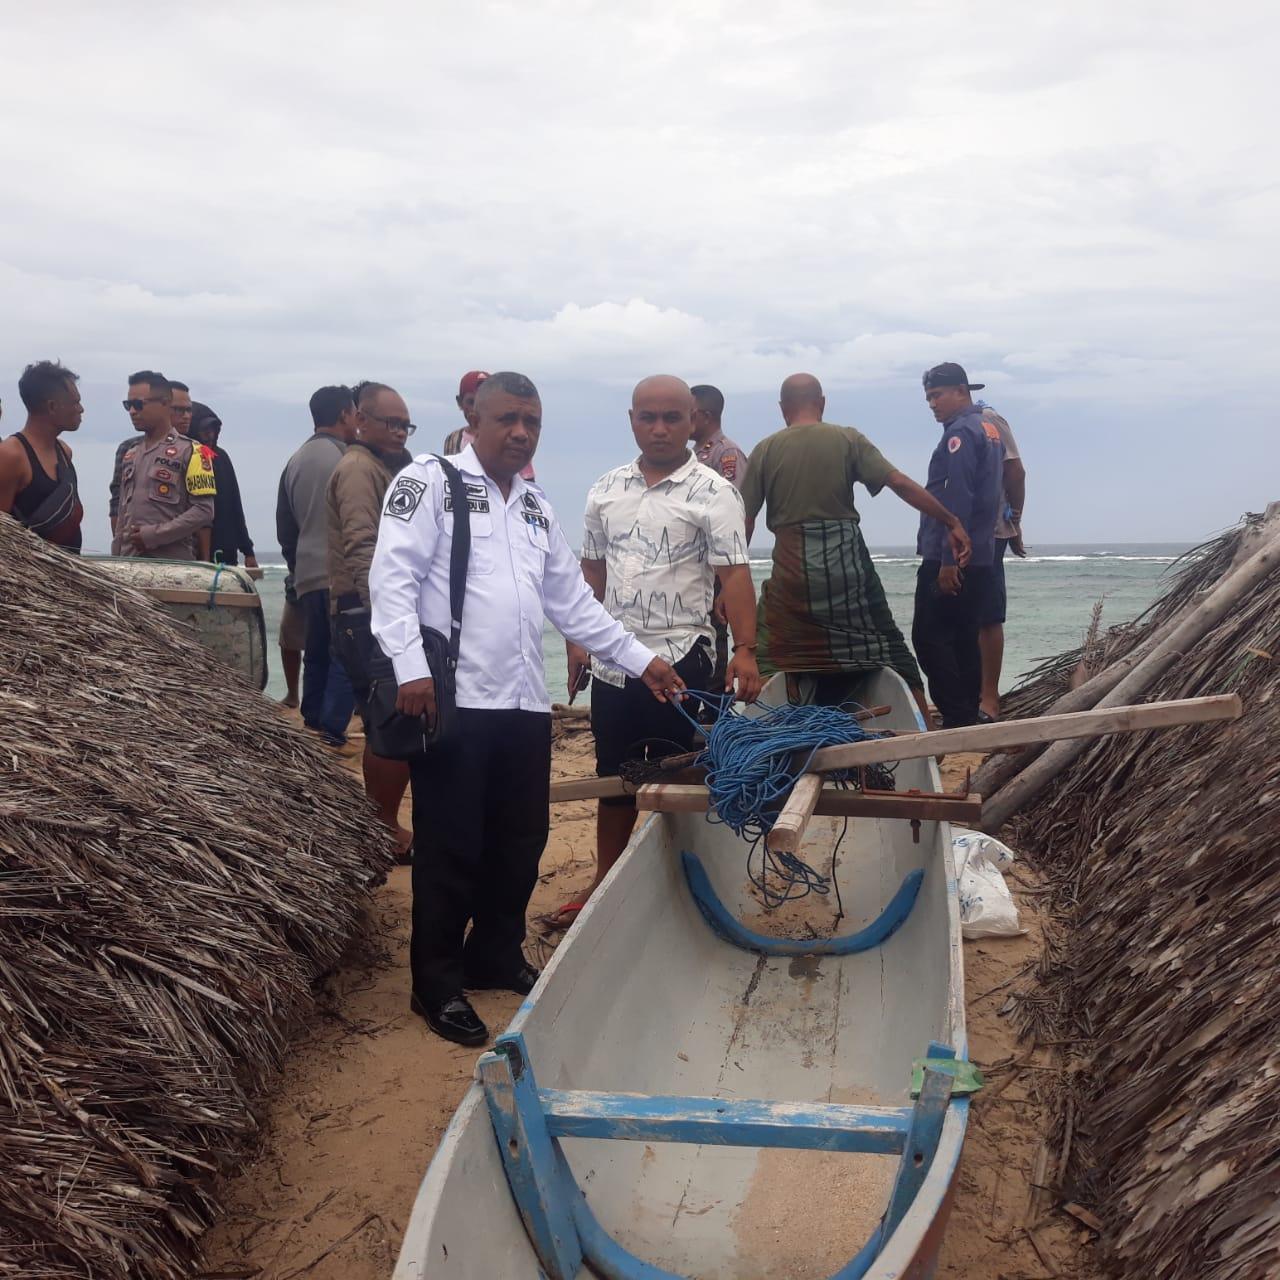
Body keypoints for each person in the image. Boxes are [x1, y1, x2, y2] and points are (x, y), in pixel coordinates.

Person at [370, 370, 685, 1046]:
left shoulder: (537, 505)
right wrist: (411, 670)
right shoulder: (429, 484)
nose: (520, 433)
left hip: (521, 701)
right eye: (508, 419)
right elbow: (391, 579)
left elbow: (572, 604)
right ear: (473, 419)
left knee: (520, 840)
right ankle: (436, 982)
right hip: (452, 699)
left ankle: (495, 952)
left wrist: (642, 660)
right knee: (450, 846)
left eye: (532, 422)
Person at [554, 375, 761, 926]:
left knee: (690, 774)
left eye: (673, 417)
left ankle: (692, 881)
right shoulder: (605, 488)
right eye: (649, 417)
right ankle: (604, 879)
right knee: (614, 775)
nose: (661, 428)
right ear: (632, 420)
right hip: (615, 660)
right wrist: (577, 640)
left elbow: (734, 576)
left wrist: (746, 649)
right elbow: (590, 572)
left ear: (693, 421)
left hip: (686, 658)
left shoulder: (716, 492)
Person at [741, 373, 970, 724]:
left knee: (769, 652)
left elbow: (745, 521)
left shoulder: (766, 448)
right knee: (891, 650)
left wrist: (727, 584)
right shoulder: (847, 438)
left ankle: (754, 732)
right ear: (822, 402)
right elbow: (899, 483)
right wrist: (950, 520)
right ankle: (926, 741)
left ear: (782, 409)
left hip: (792, 573)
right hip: (848, 572)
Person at [326, 381, 415, 860]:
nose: (400, 431)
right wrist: (389, 620)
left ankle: (381, 827)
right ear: (361, 419)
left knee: (386, 722)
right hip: (367, 615)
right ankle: (383, 831)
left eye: (405, 423)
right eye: (390, 422)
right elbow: (364, 546)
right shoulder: (360, 468)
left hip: (364, 613)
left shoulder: (383, 466)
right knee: (391, 725)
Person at [913, 364, 1005, 729]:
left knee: (928, 638)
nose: (932, 404)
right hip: (981, 552)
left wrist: (948, 561)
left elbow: (958, 496)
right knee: (964, 637)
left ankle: (957, 714)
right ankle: (967, 711)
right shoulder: (989, 427)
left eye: (937, 396)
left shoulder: (961, 434)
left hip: (951, 554)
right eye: (929, 398)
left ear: (961, 391)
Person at [277, 386, 358, 746]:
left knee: (317, 652)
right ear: (344, 415)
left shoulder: (295, 459)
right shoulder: (348, 459)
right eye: (356, 413)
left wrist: (296, 565)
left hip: (307, 571)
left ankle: (312, 722)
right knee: (347, 653)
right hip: (338, 571)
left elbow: (285, 523)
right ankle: (332, 730)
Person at [112, 371, 215, 559]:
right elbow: (121, 515)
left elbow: (204, 511)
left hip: (172, 565)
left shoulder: (195, 452)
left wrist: (155, 535)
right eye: (128, 405)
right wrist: (117, 557)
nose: (133, 411)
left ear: (165, 404)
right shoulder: (130, 454)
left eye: (138, 404)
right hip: (129, 564)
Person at [690, 383, 747, 701]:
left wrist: (725, 585)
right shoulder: (691, 456)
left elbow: (734, 520)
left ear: (705, 415)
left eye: (689, 412)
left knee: (713, 648)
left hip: (713, 574)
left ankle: (715, 718)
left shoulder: (726, 454)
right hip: (690, 574)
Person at [974, 403, 1027, 720]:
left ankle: (989, 699)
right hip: (966, 535)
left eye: (938, 394)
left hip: (990, 533)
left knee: (988, 616)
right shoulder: (958, 428)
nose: (933, 404)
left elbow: (1015, 473)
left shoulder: (988, 420)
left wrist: (1014, 521)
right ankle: (976, 694)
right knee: (966, 617)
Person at [0, 360, 85, 551]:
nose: (81, 409)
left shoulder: (64, 452)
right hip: (29, 575)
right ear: (52, 407)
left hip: (69, 572)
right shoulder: (11, 456)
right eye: (75, 402)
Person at [189, 402, 260, 572]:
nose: (210, 435)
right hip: (195, 553)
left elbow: (235, 504)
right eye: (204, 430)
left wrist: (248, 551)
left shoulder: (221, 457)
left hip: (226, 552)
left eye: (213, 429)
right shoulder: (187, 456)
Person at [443, 369, 536, 481]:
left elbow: (528, 482)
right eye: (471, 402)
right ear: (460, 402)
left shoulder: (511, 440)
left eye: (483, 403)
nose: (476, 409)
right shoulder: (453, 439)